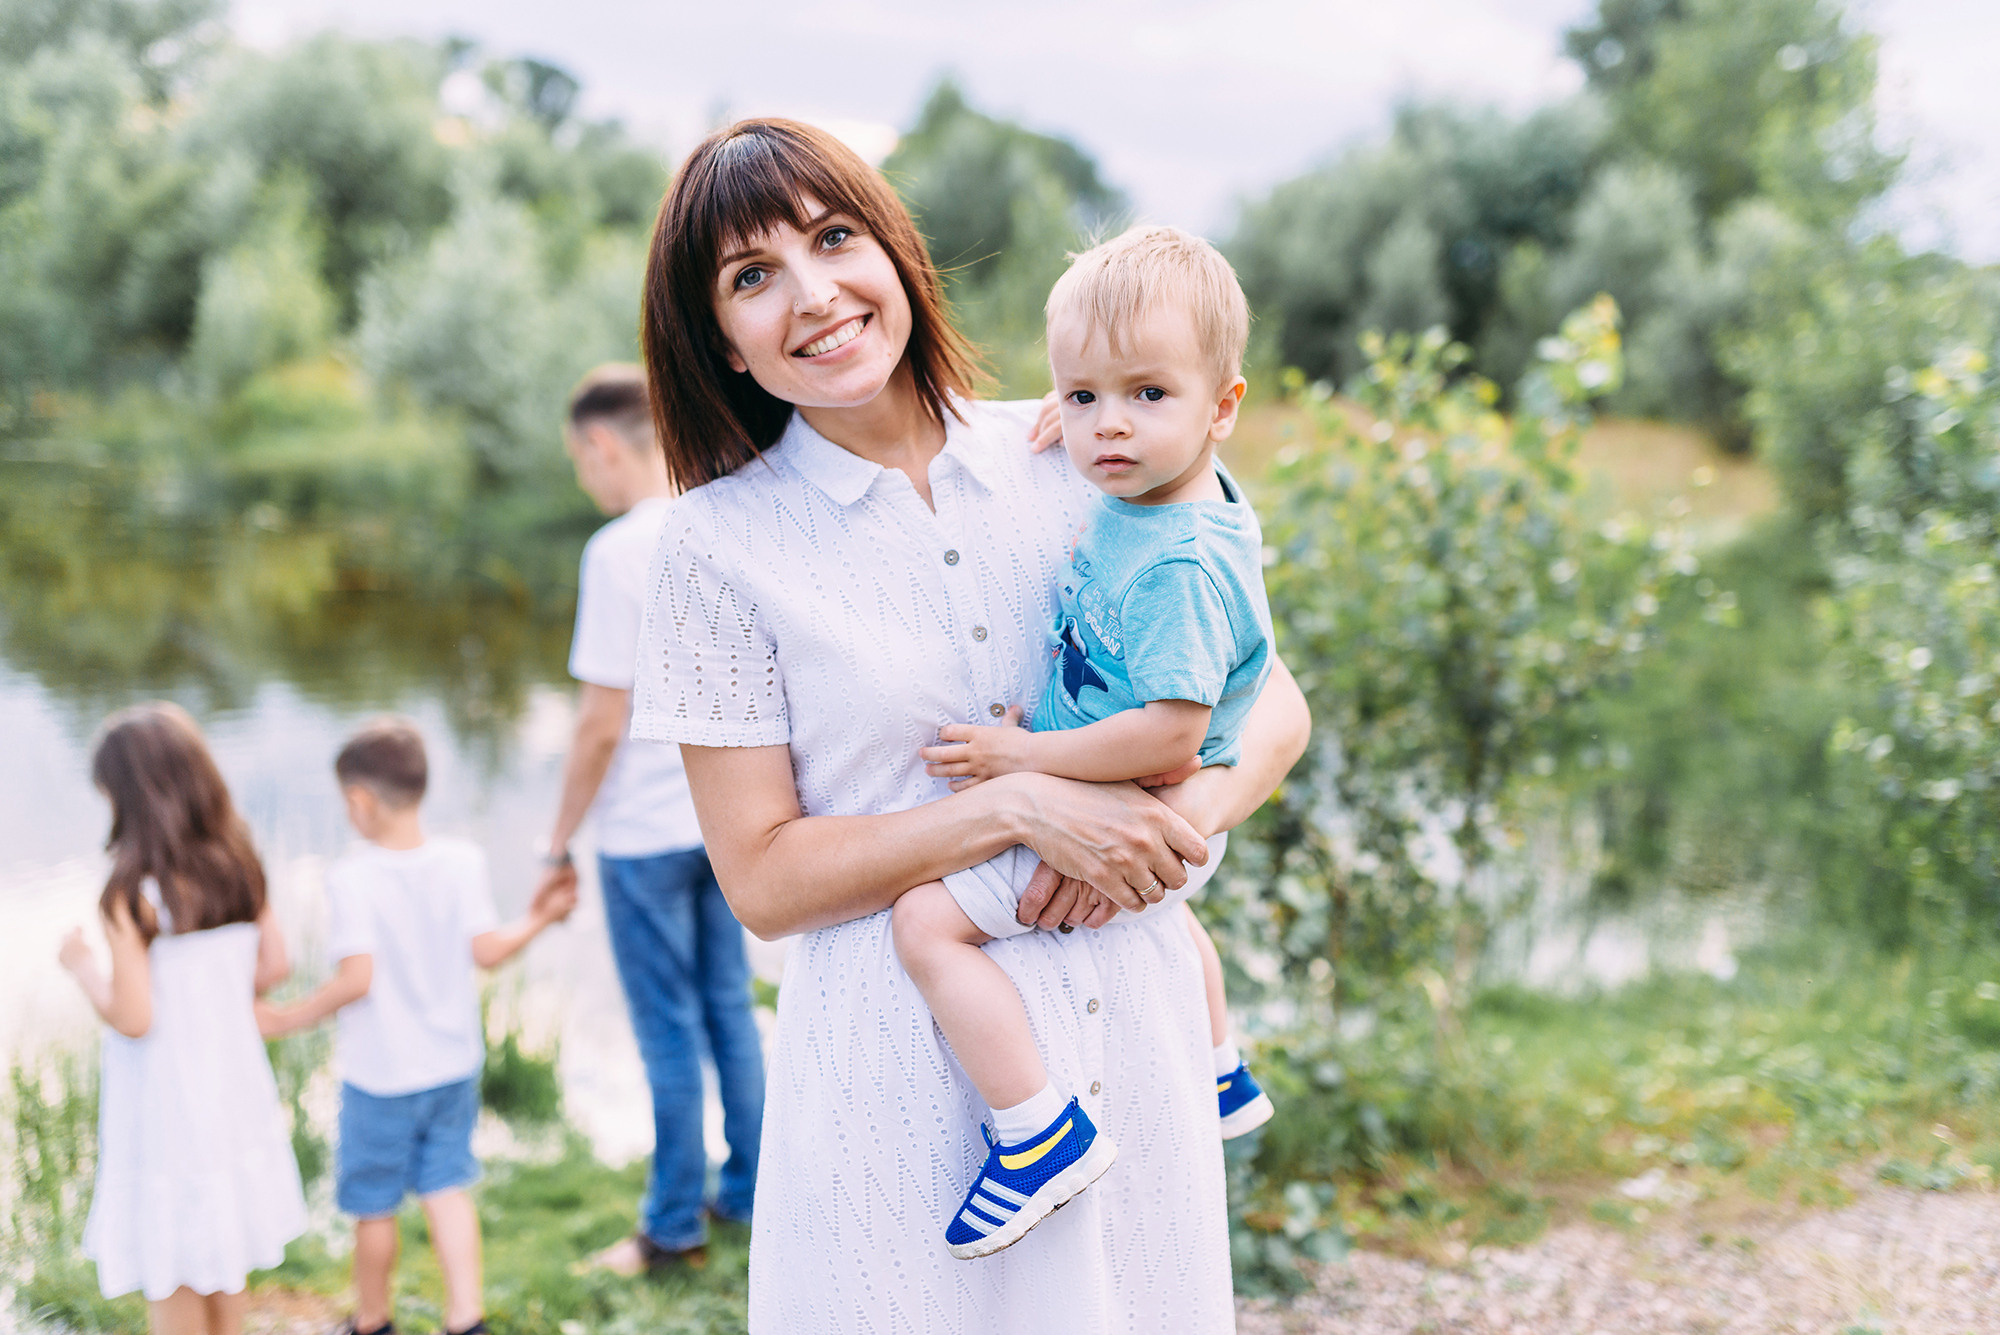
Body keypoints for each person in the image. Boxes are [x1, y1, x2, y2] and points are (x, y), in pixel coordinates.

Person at [629, 118, 1310, 1333]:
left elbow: (1272, 704)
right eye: (751, 276)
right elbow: (765, 883)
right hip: (902, 1082)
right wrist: (1009, 804)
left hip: (1132, 1031)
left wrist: (1161, 831)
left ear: (893, 251)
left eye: (834, 238)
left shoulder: (1075, 444)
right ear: (719, 342)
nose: (813, 294)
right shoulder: (713, 547)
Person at [891, 224, 1278, 1260]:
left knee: (926, 925)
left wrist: (1022, 761)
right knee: (1180, 922)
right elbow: (1107, 425)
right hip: (1154, 801)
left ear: (1222, 406)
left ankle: (1035, 1132)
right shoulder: (1169, 491)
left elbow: (1170, 728)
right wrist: (1065, 427)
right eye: (1081, 397)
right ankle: (1218, 1061)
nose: (1108, 427)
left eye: (1147, 396)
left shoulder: (1177, 565)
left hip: (1133, 791)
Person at [532, 363, 766, 1274]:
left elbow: (598, 726)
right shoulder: (722, 516)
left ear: (601, 444)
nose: (585, 477)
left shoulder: (618, 549)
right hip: (727, 821)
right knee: (729, 1011)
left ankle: (673, 1226)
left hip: (641, 836)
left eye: (580, 460)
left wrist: (555, 842)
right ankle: (747, 1190)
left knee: (668, 1029)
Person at [256, 718, 576, 1335]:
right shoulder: (461, 859)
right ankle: (466, 1318)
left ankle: (372, 1321)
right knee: (446, 1188)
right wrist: (540, 918)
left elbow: (357, 979)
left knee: (373, 1207)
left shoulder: (352, 876)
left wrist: (286, 1018)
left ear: (360, 801)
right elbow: (486, 952)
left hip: (381, 1078)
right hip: (453, 1065)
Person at [57, 701, 307, 1335]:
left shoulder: (130, 891)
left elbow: (135, 1018)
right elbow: (275, 963)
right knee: (222, 1251)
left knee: (174, 1261)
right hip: (231, 1088)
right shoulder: (239, 864)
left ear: (127, 797)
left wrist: (84, 968)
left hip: (166, 1106)